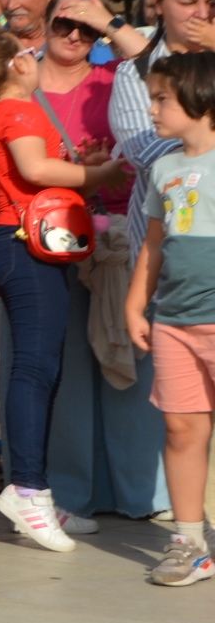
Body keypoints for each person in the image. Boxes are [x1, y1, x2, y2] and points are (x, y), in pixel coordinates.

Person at [0, 31, 125, 554]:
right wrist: (100, 171)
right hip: (24, 246)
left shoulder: (9, 108)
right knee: (35, 371)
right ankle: (29, 490)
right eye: (31, 54)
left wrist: (83, 166)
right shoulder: (13, 108)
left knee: (43, 369)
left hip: (31, 244)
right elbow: (35, 170)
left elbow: (41, 175)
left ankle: (35, 488)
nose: (37, 60)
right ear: (17, 64)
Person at [37, 0, 162, 525]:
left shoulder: (122, 80)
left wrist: (113, 25)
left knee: (131, 366)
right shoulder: (18, 83)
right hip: (48, 243)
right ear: (43, 25)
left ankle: (142, 494)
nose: (73, 35)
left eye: (86, 28)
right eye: (64, 23)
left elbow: (164, 75)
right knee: (70, 377)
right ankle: (72, 494)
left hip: (120, 240)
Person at [123, 52, 215, 587]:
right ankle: (190, 543)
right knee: (182, 428)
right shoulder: (164, 168)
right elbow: (154, 247)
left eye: (162, 99)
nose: (152, 110)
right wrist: (137, 305)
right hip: (174, 322)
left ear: (200, 100)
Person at [111, 0, 215, 225]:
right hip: (166, 238)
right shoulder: (137, 72)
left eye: (212, 2)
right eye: (188, 3)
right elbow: (145, 153)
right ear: (157, 2)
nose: (203, 14)